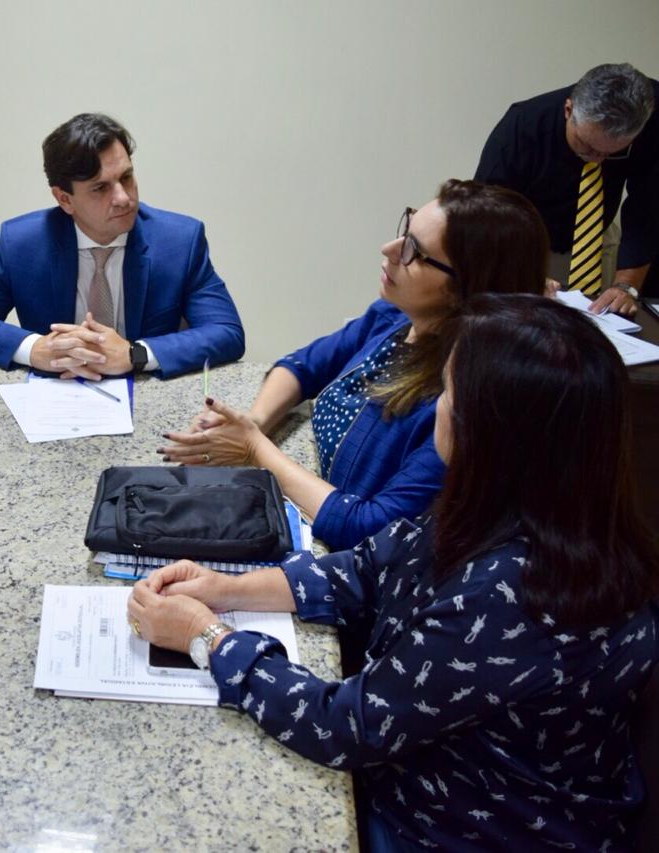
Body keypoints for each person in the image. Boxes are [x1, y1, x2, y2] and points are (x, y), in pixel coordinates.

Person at [130, 294, 659, 850]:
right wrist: (228, 589)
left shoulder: (514, 594)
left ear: (492, 432)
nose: (437, 409)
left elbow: (342, 727)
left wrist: (207, 637)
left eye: (448, 393)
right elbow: (367, 569)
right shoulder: (532, 508)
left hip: (454, 829)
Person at [159, 180, 548, 550]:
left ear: (466, 288)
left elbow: (371, 528)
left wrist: (254, 449)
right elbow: (302, 366)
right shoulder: (393, 318)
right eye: (406, 228)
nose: (389, 249)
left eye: (413, 251)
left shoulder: (461, 401)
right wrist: (253, 422)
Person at [0, 112, 244, 379]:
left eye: (126, 177)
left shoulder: (180, 241)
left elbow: (226, 332)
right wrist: (35, 349)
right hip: (53, 399)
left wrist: (135, 355)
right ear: (64, 199)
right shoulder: (24, 243)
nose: (123, 198)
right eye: (100, 188)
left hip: (146, 398)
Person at [476, 62, 658, 316]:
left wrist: (626, 286)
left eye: (611, 152)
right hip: (527, 242)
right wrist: (520, 274)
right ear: (568, 109)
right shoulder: (522, 126)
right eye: (588, 147)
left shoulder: (651, 118)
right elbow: (486, 217)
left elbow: (648, 206)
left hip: (597, 239)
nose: (597, 160)